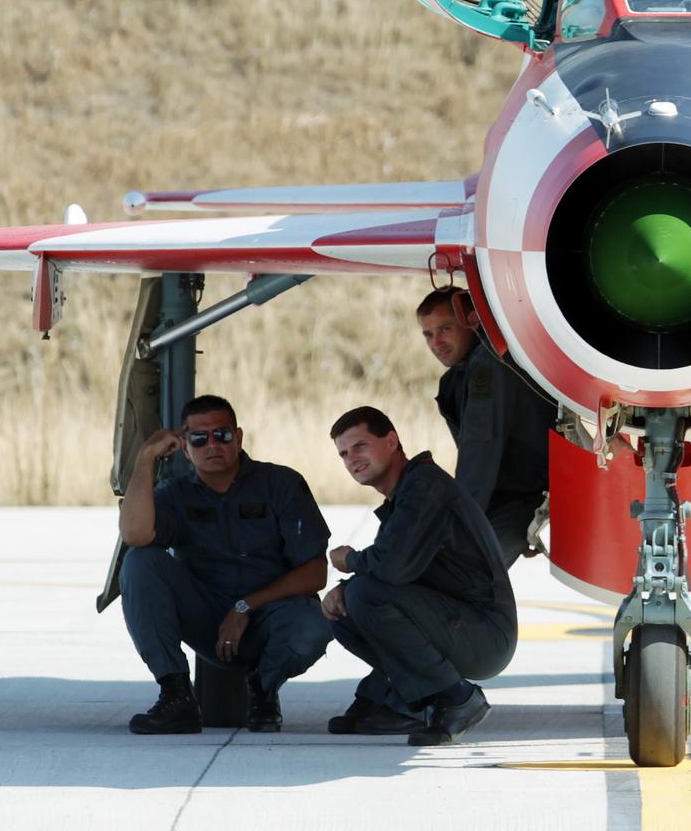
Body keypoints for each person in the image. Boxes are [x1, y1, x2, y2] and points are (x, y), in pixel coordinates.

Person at [118, 394, 332, 735]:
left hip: (271, 618)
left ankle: (263, 688)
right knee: (139, 562)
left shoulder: (281, 484)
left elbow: (316, 572)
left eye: (222, 435)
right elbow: (134, 534)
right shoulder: (175, 493)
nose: (212, 445)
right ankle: (176, 695)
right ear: (184, 446)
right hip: (207, 619)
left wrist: (245, 606)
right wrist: (146, 458)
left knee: (315, 624)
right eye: (199, 439)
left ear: (239, 437)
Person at [324, 406, 517, 744]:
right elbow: (399, 569)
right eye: (344, 454)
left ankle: (458, 698)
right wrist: (344, 587)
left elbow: (392, 566)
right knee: (343, 609)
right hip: (458, 622)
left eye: (360, 446)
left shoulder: (424, 486)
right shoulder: (408, 491)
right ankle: (401, 702)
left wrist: (350, 560)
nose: (352, 459)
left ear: (391, 441)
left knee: (364, 596)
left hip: (484, 635)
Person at [418, 288, 557, 568]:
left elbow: (480, 451)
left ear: (470, 321)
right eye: (428, 334)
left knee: (462, 572)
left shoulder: (489, 364)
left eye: (445, 329)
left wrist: (462, 522)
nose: (436, 343)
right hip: (504, 499)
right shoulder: (457, 378)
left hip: (524, 499)